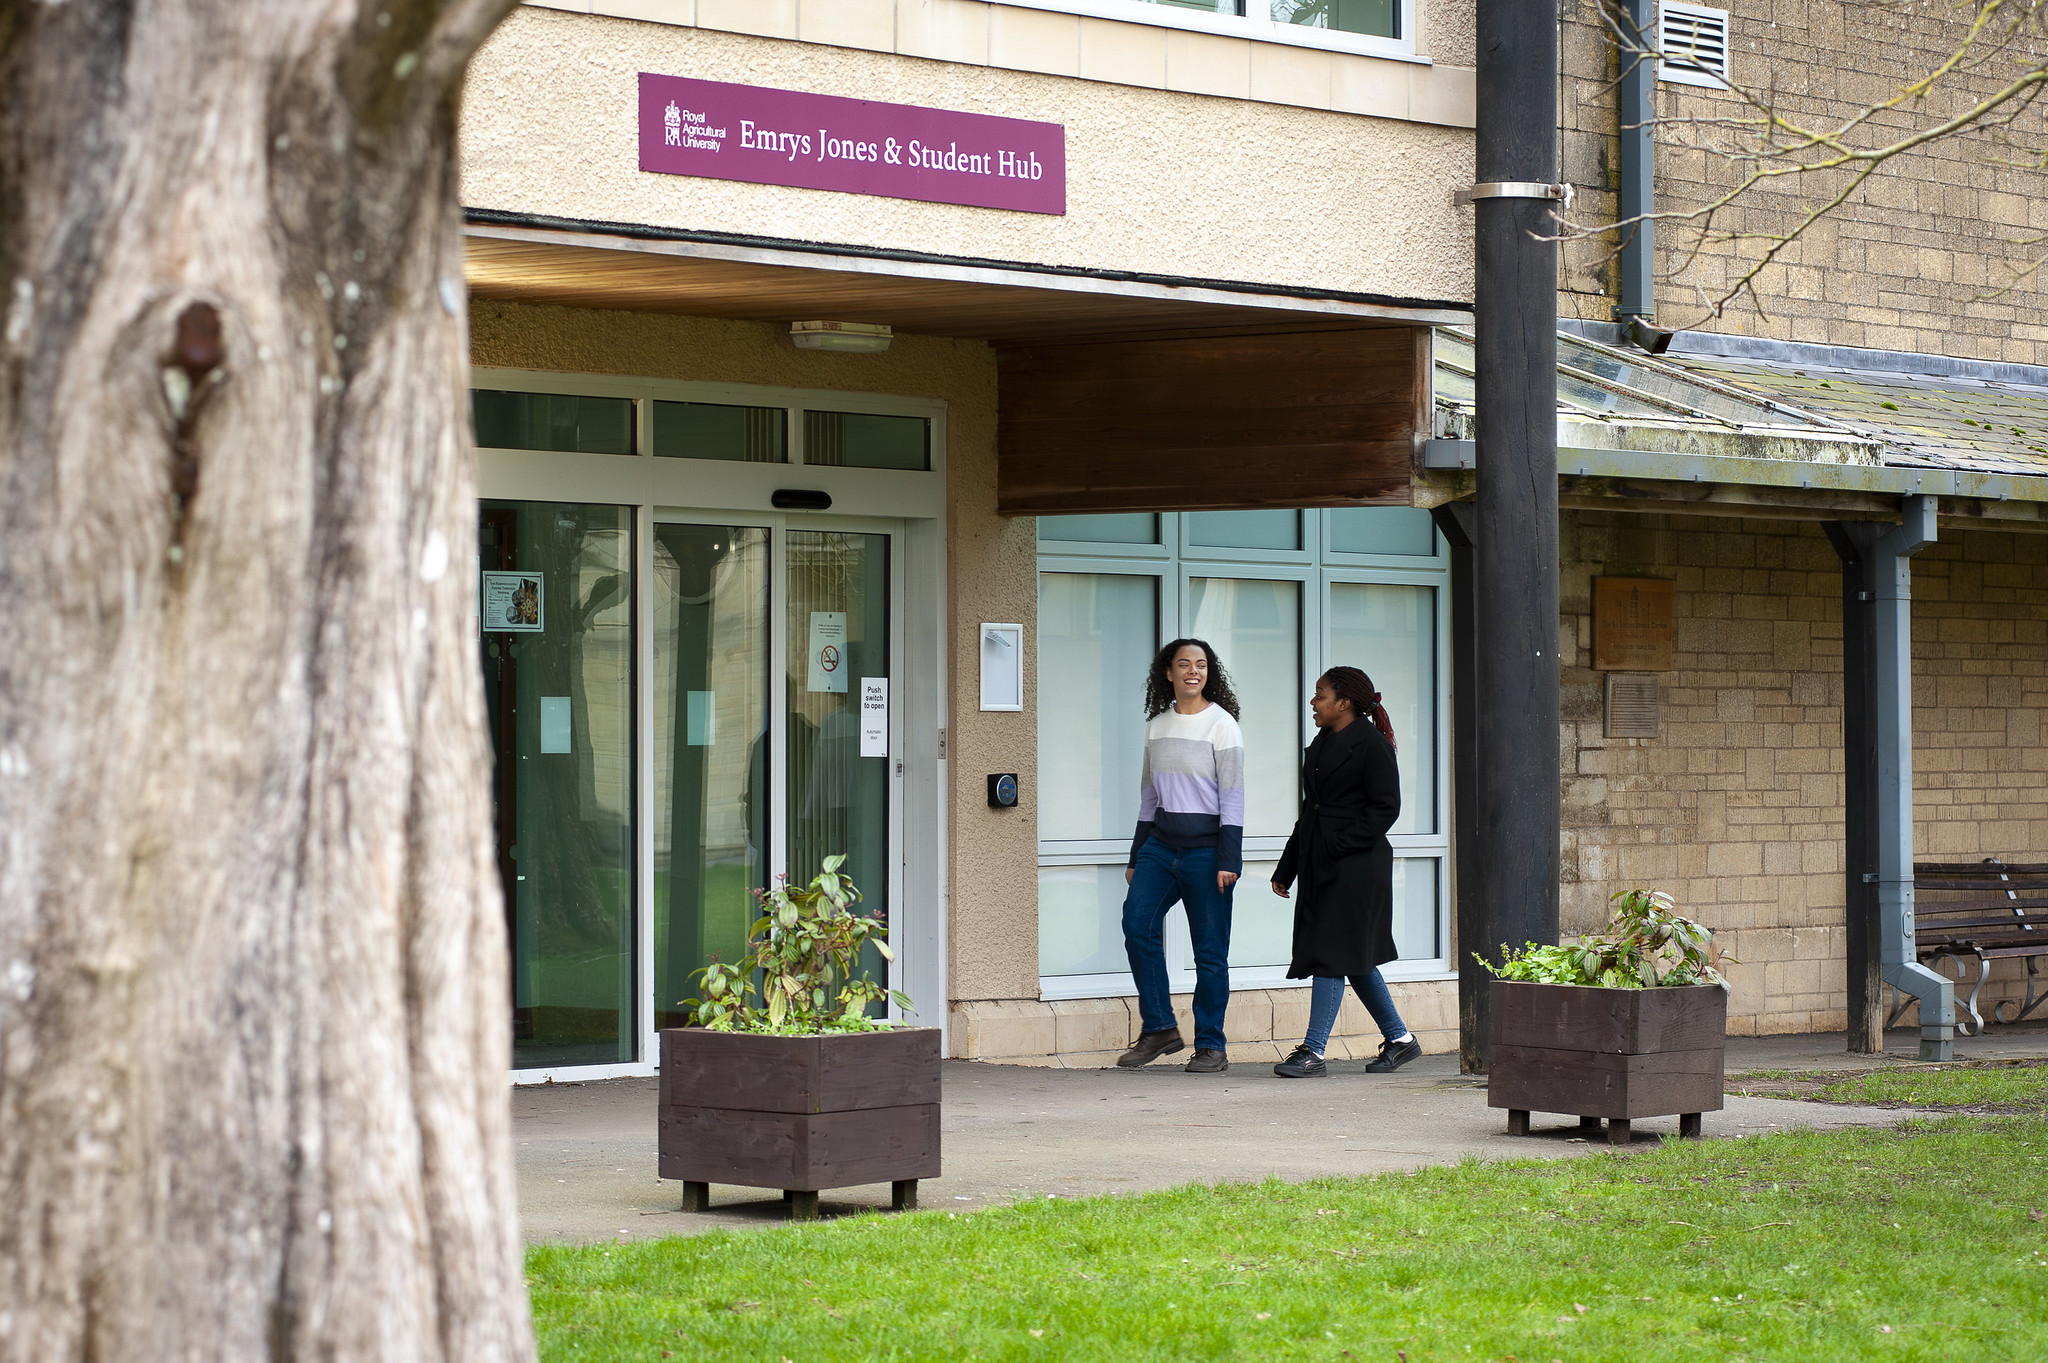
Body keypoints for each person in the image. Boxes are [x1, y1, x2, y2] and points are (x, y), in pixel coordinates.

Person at [1269, 666, 1421, 1077]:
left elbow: (1385, 809)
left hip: (1357, 866)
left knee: (1331, 954)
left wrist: (1338, 844)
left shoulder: (1372, 746)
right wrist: (1288, 868)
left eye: (1320, 695)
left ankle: (1314, 1051)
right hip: (1321, 862)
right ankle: (1401, 1039)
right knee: (1352, 956)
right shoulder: (1321, 742)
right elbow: (1309, 812)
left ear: (1345, 702)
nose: (1313, 703)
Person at [1114, 639, 1245, 1074]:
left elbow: (1233, 796)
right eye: (1184, 664)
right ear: (1167, 673)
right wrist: (1136, 855)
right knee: (1137, 923)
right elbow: (1148, 796)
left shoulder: (1222, 725)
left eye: (1201, 665)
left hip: (1208, 852)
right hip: (1160, 847)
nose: (1193, 671)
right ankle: (1159, 1029)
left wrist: (1230, 857)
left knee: (1209, 952)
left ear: (1210, 673)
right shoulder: (1157, 725)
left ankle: (1211, 1045)